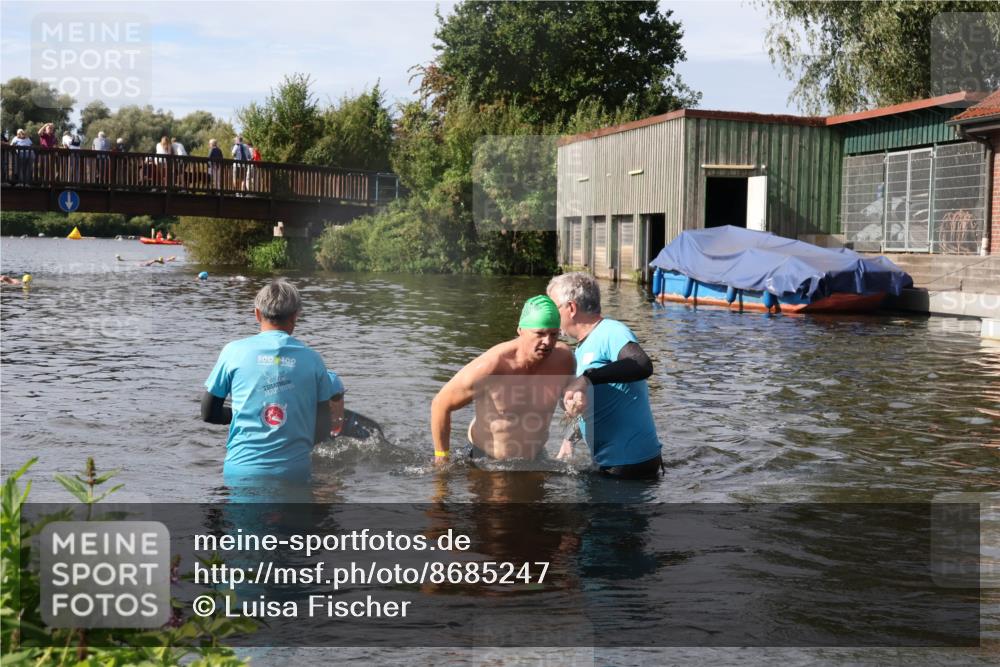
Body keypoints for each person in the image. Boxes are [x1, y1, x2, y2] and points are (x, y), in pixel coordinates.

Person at [201, 279, 336, 479]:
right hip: (294, 473)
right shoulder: (313, 359)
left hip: (241, 470)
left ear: (257, 314)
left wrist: (246, 413)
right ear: (295, 316)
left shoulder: (233, 351)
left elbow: (208, 413)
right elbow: (324, 428)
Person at [431, 295, 579, 462]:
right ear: (520, 330)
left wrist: (572, 406)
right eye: (539, 333)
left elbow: (570, 403)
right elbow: (440, 404)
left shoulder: (564, 360)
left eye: (554, 334)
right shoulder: (493, 365)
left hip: (536, 458)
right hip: (486, 461)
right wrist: (441, 459)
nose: (548, 341)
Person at [547, 272, 663, 479]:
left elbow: (642, 365)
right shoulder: (584, 347)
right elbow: (596, 404)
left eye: (554, 308)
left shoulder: (611, 331)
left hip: (629, 467)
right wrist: (569, 440)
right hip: (612, 464)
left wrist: (587, 378)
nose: (551, 317)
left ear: (571, 308)